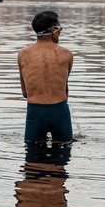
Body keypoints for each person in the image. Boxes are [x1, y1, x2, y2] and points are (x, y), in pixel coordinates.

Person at [18, 11, 73, 144]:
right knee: (63, 154)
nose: (60, 32)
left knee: (32, 159)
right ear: (53, 30)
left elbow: (25, 93)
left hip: (35, 113)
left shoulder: (23, 54)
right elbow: (65, 90)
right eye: (60, 29)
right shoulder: (66, 54)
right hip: (59, 111)